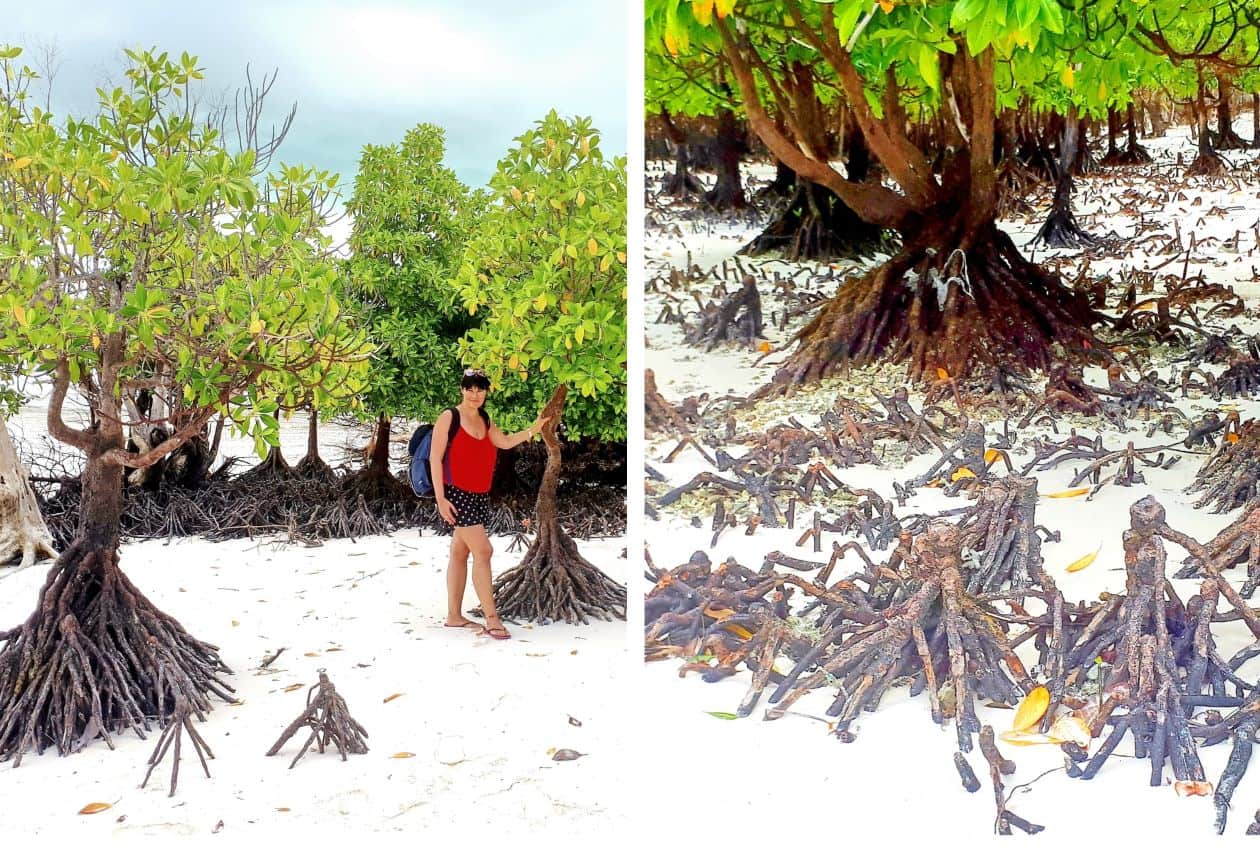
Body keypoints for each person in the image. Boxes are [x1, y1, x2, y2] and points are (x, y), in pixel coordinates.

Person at [432, 368, 548, 640]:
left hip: (479, 494)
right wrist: (440, 499)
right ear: (462, 389)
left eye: (480, 389)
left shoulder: (484, 417)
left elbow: (505, 442)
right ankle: (492, 619)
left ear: (486, 392)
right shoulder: (450, 417)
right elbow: (435, 459)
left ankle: (454, 616)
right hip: (457, 494)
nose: (475, 395)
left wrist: (535, 428)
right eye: (470, 389)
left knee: (460, 552)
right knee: (483, 551)